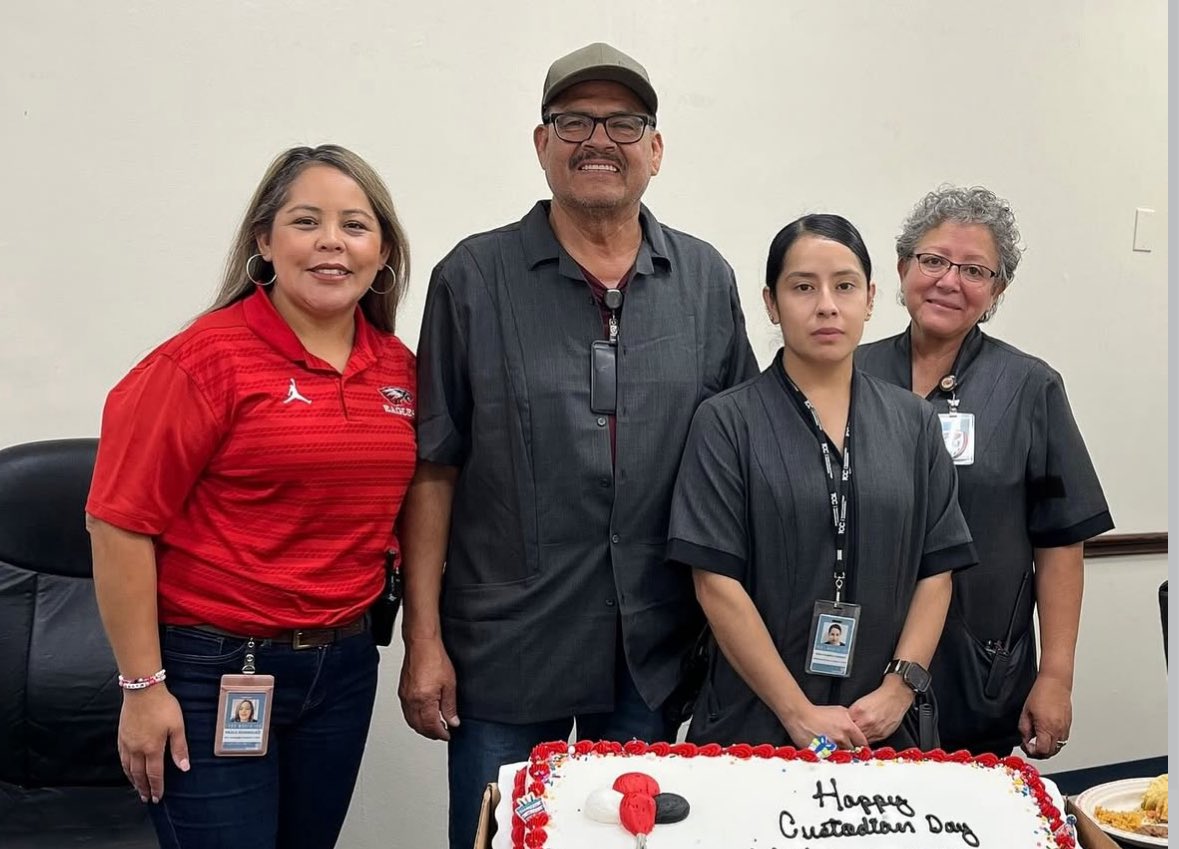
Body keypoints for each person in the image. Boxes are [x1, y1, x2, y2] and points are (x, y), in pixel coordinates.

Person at [398, 42, 758, 849]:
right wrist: (422, 639)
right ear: (541, 143)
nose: (598, 139)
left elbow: (738, 467)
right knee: (495, 839)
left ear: (655, 149)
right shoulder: (473, 277)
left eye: (623, 123)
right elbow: (433, 467)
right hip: (505, 647)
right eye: (573, 122)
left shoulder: (704, 281)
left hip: (652, 652)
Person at [85, 144, 416, 849]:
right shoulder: (201, 362)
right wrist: (142, 687)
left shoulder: (398, 369)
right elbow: (118, 524)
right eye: (306, 221)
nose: (332, 241)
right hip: (212, 669)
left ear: (383, 250)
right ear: (264, 240)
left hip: (343, 668)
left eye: (355, 225)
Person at [668, 214, 977, 751]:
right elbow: (715, 582)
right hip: (754, 719)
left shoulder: (914, 423)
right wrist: (797, 711)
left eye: (845, 286)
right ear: (771, 303)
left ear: (871, 298)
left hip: (877, 722)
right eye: (803, 287)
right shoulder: (726, 422)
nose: (827, 305)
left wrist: (899, 689)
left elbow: (937, 569)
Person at [857, 186, 1113, 759]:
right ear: (902, 267)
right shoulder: (850, 373)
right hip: (859, 675)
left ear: (996, 291)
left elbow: (1060, 542)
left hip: (979, 670)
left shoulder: (1029, 388)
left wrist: (1056, 677)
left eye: (975, 270)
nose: (949, 281)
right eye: (933, 260)